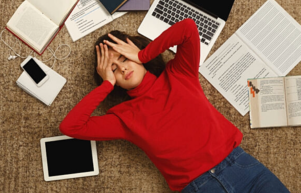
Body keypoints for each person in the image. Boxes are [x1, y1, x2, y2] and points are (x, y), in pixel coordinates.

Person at [60, 19, 290, 193]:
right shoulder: (122, 118)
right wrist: (105, 85)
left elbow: (188, 28)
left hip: (243, 167)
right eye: (112, 69)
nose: (121, 69)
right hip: (200, 187)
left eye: (123, 58)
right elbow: (71, 127)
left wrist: (143, 53)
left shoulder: (179, 73)